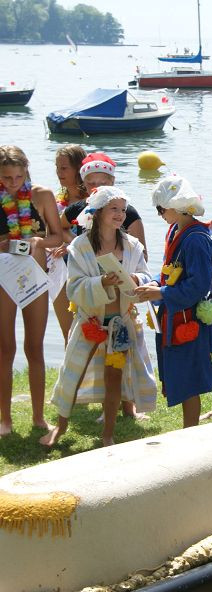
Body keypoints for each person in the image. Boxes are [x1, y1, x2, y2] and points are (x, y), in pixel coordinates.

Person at [40, 187, 156, 447]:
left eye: (123, 210)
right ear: (99, 211)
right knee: (73, 372)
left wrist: (136, 279)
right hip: (89, 321)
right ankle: (60, 425)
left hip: (121, 323)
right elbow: (74, 287)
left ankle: (108, 434)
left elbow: (147, 277)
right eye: (114, 208)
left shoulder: (131, 245)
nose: (120, 214)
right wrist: (102, 281)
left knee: (113, 377)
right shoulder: (80, 246)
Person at [134, 176, 212, 428]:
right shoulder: (174, 231)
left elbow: (198, 285)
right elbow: (171, 270)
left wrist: (163, 294)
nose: (159, 214)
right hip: (173, 316)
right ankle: (188, 430)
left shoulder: (196, 239)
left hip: (188, 319)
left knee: (189, 379)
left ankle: (190, 430)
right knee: (178, 373)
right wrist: (157, 284)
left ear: (177, 206)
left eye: (161, 209)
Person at [0, 145, 63, 437]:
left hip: (34, 275)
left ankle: (38, 417)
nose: (12, 184)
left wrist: (38, 242)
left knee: (34, 346)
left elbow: (57, 236)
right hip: (2, 277)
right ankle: (5, 420)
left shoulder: (42, 195)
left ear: (26, 169)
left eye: (17, 176)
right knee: (5, 348)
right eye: (6, 178)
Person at [50, 144, 88, 344]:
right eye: (57, 167)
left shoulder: (92, 200)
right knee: (69, 332)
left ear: (78, 169)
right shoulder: (57, 203)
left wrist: (72, 244)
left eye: (64, 168)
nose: (59, 173)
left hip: (87, 268)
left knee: (89, 330)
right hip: (60, 268)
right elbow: (52, 232)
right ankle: (70, 375)